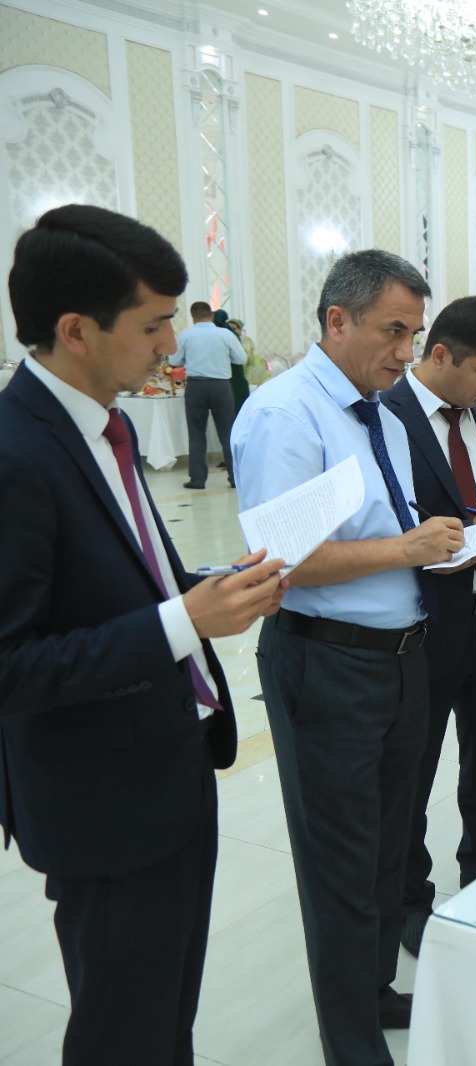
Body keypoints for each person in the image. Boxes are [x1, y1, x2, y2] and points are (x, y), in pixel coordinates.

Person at [0, 204, 286, 1066]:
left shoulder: (103, 425)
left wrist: (209, 588)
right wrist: (183, 620)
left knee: (165, 1016)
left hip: (168, 765)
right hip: (101, 802)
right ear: (76, 330)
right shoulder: (17, 454)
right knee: (122, 1029)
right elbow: (12, 666)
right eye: (155, 324)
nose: (171, 346)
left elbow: (124, 582)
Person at [232, 250, 466, 1065]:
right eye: (393, 331)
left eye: (415, 334)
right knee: (339, 864)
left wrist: (443, 546)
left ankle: (372, 991)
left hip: (401, 659)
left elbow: (383, 535)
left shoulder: (381, 413)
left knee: (387, 848)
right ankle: (350, 1044)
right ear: (338, 321)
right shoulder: (285, 416)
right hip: (328, 663)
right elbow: (281, 561)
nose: (407, 352)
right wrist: (408, 548)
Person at [382, 296, 476, 957]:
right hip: (426, 625)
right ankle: (410, 904)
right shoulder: (386, 416)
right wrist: (457, 534)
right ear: (440, 354)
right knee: (412, 775)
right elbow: (386, 526)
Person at [170, 298, 246, 489]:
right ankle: (235, 478)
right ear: (211, 315)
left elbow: (174, 361)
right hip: (221, 386)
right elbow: (241, 358)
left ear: (193, 317)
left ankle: (197, 480)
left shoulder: (186, 336)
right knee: (227, 433)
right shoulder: (225, 334)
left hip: (196, 387)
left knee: (196, 433)